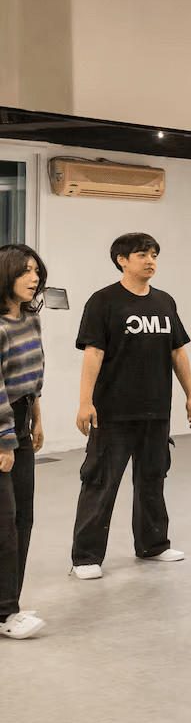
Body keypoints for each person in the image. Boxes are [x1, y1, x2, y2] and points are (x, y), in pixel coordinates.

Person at [71, 233, 191, 580]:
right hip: (112, 413)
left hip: (156, 412)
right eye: (142, 254)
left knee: (153, 480)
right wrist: (85, 403)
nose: (150, 260)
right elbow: (93, 354)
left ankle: (153, 545)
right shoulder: (104, 302)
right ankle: (86, 557)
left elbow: (178, 351)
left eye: (154, 253)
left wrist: (190, 394)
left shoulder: (165, 302)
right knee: (100, 483)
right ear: (122, 260)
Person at [0, 245, 47, 639]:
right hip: (2, 425)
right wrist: (5, 441)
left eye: (36, 271)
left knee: (23, 518)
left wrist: (36, 419)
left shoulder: (31, 320)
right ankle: (4, 613)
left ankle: (9, 602)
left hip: (23, 416)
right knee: (4, 520)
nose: (34, 278)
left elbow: (36, 373)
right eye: (25, 271)